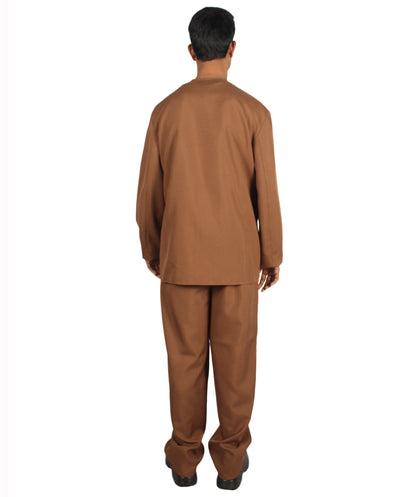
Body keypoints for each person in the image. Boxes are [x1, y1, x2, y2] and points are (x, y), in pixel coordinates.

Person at [135, 6, 283, 491]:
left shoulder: (165, 112)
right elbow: (267, 193)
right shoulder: (254, 112)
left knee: (184, 360)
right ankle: (230, 461)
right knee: (237, 362)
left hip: (181, 260)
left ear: (191, 51)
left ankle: (183, 459)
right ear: (232, 49)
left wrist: (153, 249)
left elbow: (148, 193)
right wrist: (271, 254)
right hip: (239, 261)